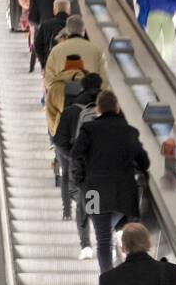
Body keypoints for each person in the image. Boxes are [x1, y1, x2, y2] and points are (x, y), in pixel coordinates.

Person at [71, 89, 150, 270]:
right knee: (130, 235)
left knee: (102, 240)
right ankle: (129, 273)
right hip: (124, 192)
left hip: (93, 192)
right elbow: (144, 162)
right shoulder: (130, 132)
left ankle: (107, 281)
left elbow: (75, 154)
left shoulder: (88, 129)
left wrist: (81, 180)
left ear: (98, 109)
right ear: (117, 107)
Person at [54, 71, 102, 225]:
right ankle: (94, 217)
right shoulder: (107, 106)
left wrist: (72, 155)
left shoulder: (71, 107)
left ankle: (67, 211)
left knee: (68, 178)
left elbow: (59, 140)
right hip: (97, 160)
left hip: (72, 155)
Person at [44, 15, 109, 93]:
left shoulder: (56, 50)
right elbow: (104, 80)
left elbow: (48, 80)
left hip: (63, 100)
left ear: (67, 31)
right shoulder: (97, 51)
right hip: (89, 100)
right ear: (83, 31)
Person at [34, 0, 71, 70]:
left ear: (54, 10)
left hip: (51, 65)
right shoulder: (76, 25)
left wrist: (44, 62)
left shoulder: (45, 25)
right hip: (71, 66)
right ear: (69, 10)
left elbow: (37, 45)